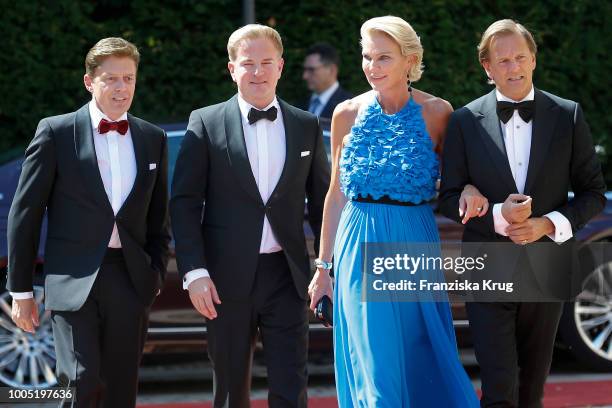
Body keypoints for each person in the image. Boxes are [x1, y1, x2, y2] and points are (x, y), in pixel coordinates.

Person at [308, 16, 481, 407]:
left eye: (384, 57)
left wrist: (469, 187)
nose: (372, 67)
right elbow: (335, 194)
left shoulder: (439, 112)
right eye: (367, 57)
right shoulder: (345, 113)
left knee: (421, 353)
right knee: (375, 361)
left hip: (412, 239)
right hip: (358, 242)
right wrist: (323, 268)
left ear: (410, 60)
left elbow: (456, 180)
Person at [439, 19, 606, 407]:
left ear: (533, 60)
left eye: (520, 57)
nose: (513, 67)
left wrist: (547, 224)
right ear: (487, 67)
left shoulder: (568, 115)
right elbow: (447, 197)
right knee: (498, 384)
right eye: (503, 60)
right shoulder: (464, 121)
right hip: (486, 262)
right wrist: (497, 215)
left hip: (546, 261)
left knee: (533, 384)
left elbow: (593, 193)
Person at [170, 24, 330, 408]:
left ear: (281, 67)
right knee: (229, 389)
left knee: (292, 386)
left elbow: (323, 202)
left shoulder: (305, 125)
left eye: (265, 63)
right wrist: (194, 272)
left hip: (287, 277)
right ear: (231, 69)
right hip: (224, 280)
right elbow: (184, 202)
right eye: (248, 64)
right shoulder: (205, 123)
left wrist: (327, 268)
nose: (257, 72)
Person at [7, 37, 170, 407]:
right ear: (89, 81)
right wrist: (21, 291)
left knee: (120, 388)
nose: (121, 88)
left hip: (130, 279)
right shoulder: (56, 132)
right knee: (80, 381)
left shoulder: (151, 137)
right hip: (72, 280)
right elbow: (26, 213)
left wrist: (155, 272)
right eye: (111, 79)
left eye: (128, 78)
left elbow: (159, 220)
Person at [302, 42, 352, 122]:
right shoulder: (301, 103)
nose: (305, 76)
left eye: (311, 70)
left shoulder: (350, 106)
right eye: (305, 69)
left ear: (332, 70)